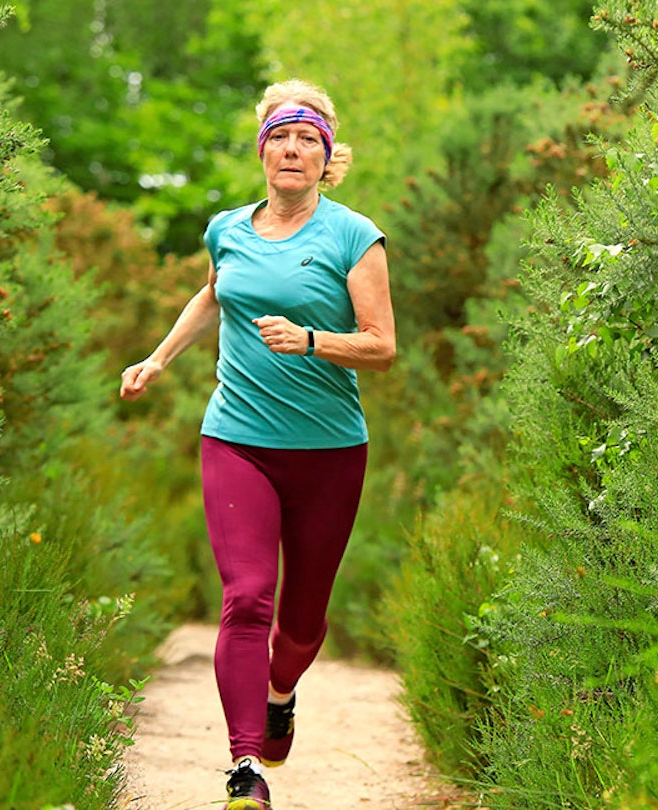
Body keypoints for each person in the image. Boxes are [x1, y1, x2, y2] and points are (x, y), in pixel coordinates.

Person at [119, 79, 395, 810]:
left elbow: (382, 346)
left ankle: (280, 694)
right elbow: (215, 293)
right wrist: (159, 357)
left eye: (308, 139)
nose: (293, 149)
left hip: (330, 450)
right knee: (245, 599)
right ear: (263, 149)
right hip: (236, 438)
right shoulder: (226, 228)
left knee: (303, 624)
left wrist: (312, 341)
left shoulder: (353, 236)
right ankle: (245, 769)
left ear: (327, 157)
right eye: (281, 136)